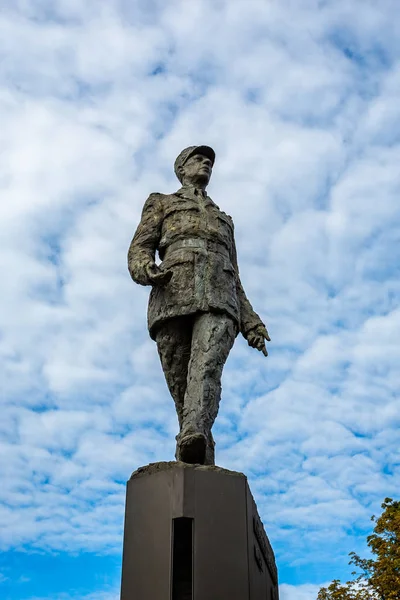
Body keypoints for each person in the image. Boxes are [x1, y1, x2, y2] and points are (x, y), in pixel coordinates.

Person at [128, 145, 270, 465]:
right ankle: (196, 443)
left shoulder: (224, 220)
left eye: (209, 161)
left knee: (205, 369)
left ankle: (195, 432)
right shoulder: (161, 202)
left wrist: (250, 322)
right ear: (182, 168)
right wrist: (146, 270)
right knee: (181, 385)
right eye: (198, 158)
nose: (206, 163)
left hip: (220, 298)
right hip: (172, 295)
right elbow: (140, 247)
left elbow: (236, 275)